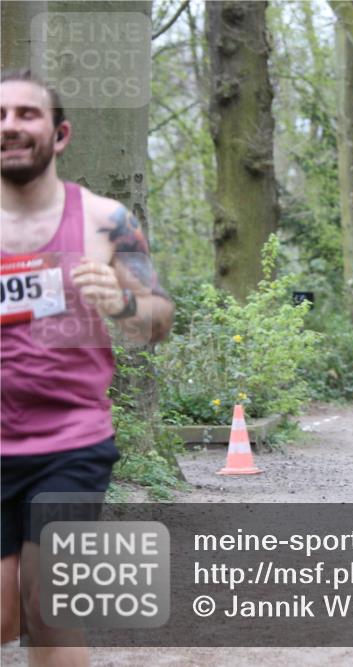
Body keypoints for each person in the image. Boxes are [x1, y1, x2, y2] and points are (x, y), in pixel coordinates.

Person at [1, 70, 174, 662]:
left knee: (47, 601)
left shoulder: (107, 221)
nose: (10, 126)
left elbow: (158, 320)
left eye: (26, 114)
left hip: (70, 442)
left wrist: (123, 301)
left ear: (61, 133)